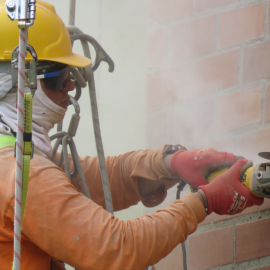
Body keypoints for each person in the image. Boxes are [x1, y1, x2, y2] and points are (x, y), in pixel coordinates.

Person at [0, 2, 264, 270]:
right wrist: (205, 202)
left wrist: (169, 163)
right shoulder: (21, 175)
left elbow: (87, 177)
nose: (70, 85)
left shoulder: (16, 162)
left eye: (70, 74)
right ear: (10, 85)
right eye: (57, 77)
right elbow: (117, 248)